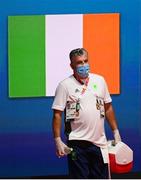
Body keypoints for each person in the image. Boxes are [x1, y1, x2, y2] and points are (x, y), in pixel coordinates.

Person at [52, 48, 121, 179]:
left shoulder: (100, 80)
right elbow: (57, 115)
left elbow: (108, 108)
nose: (83, 65)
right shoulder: (64, 85)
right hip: (77, 144)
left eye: (85, 61)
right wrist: (57, 140)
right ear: (72, 65)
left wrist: (116, 131)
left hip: (100, 143)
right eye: (79, 62)